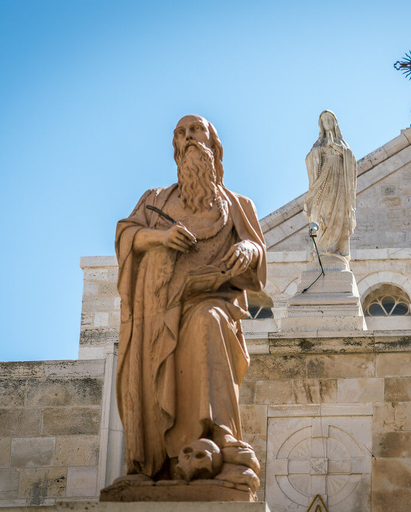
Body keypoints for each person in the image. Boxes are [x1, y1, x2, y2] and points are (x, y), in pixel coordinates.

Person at [115, 115, 266, 482]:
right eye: (181, 134)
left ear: (214, 146)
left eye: (196, 131)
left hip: (210, 300)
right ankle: (154, 460)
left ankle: (220, 439)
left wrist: (246, 250)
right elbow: (125, 235)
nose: (188, 138)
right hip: (159, 307)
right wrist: (162, 238)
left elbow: (257, 252)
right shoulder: (155, 200)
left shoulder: (237, 205)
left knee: (208, 321)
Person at [304, 110, 357, 258]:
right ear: (321, 124)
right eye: (324, 120)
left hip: (339, 184)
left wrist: (334, 147)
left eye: (329, 119)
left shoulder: (341, 143)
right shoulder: (318, 144)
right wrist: (320, 150)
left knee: (338, 213)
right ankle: (321, 247)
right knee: (322, 212)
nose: (327, 122)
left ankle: (335, 248)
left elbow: (350, 158)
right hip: (323, 183)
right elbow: (310, 159)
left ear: (334, 122)